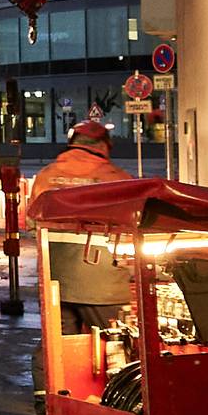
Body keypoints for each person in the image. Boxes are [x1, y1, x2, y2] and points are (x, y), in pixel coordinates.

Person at [28, 120, 133, 333]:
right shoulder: (117, 179)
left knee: (57, 350)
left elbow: (32, 223)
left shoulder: (46, 176)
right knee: (117, 344)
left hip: (55, 279)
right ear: (103, 146)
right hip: (103, 284)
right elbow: (133, 227)